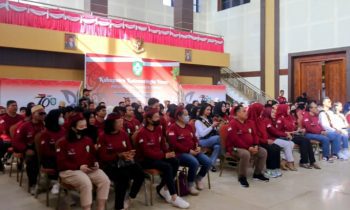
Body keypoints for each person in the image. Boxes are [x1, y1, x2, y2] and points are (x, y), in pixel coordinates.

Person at [136, 108, 189, 208]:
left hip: (157, 156)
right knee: (167, 166)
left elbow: (163, 145)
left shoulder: (158, 129)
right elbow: (147, 153)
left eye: (158, 116)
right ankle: (174, 197)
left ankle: (164, 188)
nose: (158, 119)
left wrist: (168, 153)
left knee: (175, 161)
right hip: (145, 160)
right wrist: (164, 156)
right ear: (149, 119)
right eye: (156, 117)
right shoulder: (142, 132)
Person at [56, 114, 110, 210]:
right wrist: (78, 167)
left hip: (87, 169)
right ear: (73, 128)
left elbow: (92, 156)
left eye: (85, 126)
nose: (84, 128)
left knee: (105, 180)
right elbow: (61, 163)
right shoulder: (63, 142)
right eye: (81, 127)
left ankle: (100, 208)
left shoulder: (87, 140)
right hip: (69, 170)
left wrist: (95, 163)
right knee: (86, 183)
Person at [97, 113, 144, 210]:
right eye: (119, 122)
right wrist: (119, 155)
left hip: (125, 162)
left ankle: (130, 197)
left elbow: (129, 148)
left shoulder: (123, 134)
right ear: (111, 124)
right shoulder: (103, 136)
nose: (121, 124)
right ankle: (119, 206)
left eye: (122, 122)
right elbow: (103, 157)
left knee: (140, 174)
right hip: (110, 165)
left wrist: (130, 154)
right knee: (122, 179)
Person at [167, 107, 211, 195]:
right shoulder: (172, 128)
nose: (188, 117)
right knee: (194, 162)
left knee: (208, 162)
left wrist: (197, 146)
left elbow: (195, 138)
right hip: (180, 153)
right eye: (186, 115)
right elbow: (174, 144)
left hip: (193, 151)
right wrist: (188, 150)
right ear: (179, 117)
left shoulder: (189, 126)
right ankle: (190, 185)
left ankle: (198, 178)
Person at [226, 105, 269, 188]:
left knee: (263, 152)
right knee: (246, 154)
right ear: (238, 113)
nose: (246, 113)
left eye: (246, 110)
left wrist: (255, 145)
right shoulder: (233, 123)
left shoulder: (250, 122)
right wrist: (248, 148)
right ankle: (242, 177)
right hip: (235, 148)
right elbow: (235, 140)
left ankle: (257, 174)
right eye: (244, 111)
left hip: (250, 146)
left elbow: (255, 135)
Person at [12, 105, 45, 194]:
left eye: (44, 113)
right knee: (31, 161)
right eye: (41, 113)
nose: (43, 115)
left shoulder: (44, 124)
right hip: (28, 148)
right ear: (33, 114)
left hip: (42, 148)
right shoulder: (25, 126)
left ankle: (52, 182)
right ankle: (32, 185)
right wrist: (26, 149)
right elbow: (16, 142)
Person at [275, 104, 320, 169]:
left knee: (306, 140)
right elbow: (278, 132)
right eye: (287, 109)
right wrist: (287, 133)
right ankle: (303, 162)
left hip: (293, 135)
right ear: (283, 110)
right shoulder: (280, 119)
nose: (289, 110)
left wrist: (298, 129)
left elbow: (294, 127)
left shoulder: (290, 117)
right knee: (303, 141)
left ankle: (312, 161)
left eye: (289, 109)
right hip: (285, 137)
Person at [247, 103, 282, 178]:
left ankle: (276, 168)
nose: (262, 111)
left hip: (264, 140)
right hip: (257, 143)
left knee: (277, 147)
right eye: (261, 110)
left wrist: (267, 140)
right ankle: (270, 169)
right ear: (256, 111)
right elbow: (253, 136)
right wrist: (265, 141)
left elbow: (264, 132)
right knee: (271, 149)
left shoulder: (260, 120)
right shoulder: (250, 121)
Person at [39, 109, 66, 194]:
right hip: (50, 158)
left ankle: (65, 183)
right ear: (54, 118)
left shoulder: (63, 130)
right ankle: (57, 182)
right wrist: (59, 154)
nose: (62, 118)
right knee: (62, 163)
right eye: (60, 117)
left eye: (62, 116)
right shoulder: (45, 133)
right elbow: (45, 151)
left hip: (62, 155)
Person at [194, 104, 221, 172]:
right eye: (207, 109)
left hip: (210, 139)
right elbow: (202, 134)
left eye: (210, 110)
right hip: (201, 140)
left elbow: (211, 131)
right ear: (203, 110)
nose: (209, 111)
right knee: (219, 138)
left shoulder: (209, 119)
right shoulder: (198, 121)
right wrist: (212, 126)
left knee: (217, 146)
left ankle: (210, 164)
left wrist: (216, 127)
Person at [0, 100, 24, 171]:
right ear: (8, 107)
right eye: (13, 105)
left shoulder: (21, 117)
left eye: (16, 105)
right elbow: (2, 132)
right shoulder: (2, 118)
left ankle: (20, 163)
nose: (15, 107)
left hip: (19, 139)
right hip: (7, 139)